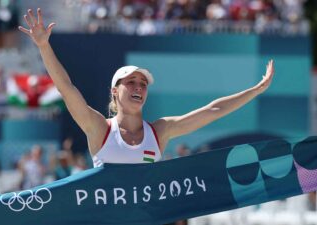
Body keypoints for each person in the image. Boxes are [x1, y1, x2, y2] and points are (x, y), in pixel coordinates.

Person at [19, 8, 274, 168]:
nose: (138, 86)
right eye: (130, 82)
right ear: (114, 92)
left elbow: (214, 110)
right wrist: (43, 46)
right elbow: (66, 88)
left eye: (143, 83)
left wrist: (255, 90)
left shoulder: (160, 132)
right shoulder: (98, 128)